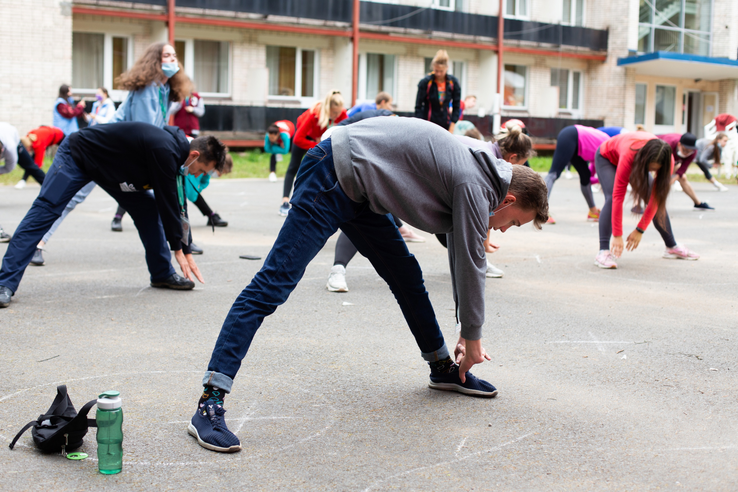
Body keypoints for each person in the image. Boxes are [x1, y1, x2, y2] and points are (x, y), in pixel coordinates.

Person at [187, 117, 548, 453]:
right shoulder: (477, 183)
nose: (502, 229)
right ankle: (210, 401)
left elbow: (460, 249)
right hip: (330, 176)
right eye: (513, 223)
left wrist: (467, 332)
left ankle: (441, 369)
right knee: (272, 285)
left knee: (407, 276)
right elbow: (472, 263)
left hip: (363, 191)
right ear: (509, 199)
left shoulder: (483, 174)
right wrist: (473, 339)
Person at [0, 122, 228, 309]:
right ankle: (5, 284)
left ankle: (161, 274)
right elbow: (167, 200)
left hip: (114, 173)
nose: (196, 174)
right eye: (200, 170)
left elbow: (179, 205)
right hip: (79, 155)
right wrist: (178, 249)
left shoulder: (179, 157)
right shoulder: (165, 149)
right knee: (45, 210)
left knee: (148, 211)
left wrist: (186, 248)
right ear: (195, 155)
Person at [323, 109, 425, 293]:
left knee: (375, 204)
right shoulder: (384, 129)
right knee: (358, 210)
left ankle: (402, 232)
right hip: (336, 149)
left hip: (351, 151)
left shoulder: (395, 131)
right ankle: (337, 270)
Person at [110, 41, 192, 231]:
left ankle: (179, 238)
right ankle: (39, 242)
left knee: (162, 192)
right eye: (167, 56)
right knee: (73, 196)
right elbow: (144, 133)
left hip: (129, 148)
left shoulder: (162, 89)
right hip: (109, 147)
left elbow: (157, 127)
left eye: (174, 55)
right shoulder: (148, 90)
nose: (173, 59)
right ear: (155, 61)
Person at [594, 131, 699, 270]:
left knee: (657, 201)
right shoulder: (629, 155)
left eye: (654, 170)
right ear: (645, 160)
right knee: (611, 198)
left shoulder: (668, 160)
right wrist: (617, 234)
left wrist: (640, 229)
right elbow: (618, 196)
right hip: (607, 157)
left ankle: (671, 246)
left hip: (638, 160)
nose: (651, 171)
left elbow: (656, 199)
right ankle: (603, 251)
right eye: (649, 168)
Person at [452, 125, 534, 278]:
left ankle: (473, 259)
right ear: (512, 158)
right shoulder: (491, 162)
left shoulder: (487, 148)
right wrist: (484, 245)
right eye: (520, 165)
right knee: (462, 226)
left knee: (458, 227)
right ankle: (477, 261)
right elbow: (486, 208)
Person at [279, 90, 347, 216]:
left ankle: (318, 203)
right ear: (328, 109)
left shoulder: (342, 114)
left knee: (323, 169)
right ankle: (285, 201)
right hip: (306, 138)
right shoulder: (313, 115)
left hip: (322, 140)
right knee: (294, 167)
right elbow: (298, 139)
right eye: (334, 112)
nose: (338, 115)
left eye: (339, 112)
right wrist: (316, 145)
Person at [544, 125, 610, 223]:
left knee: (585, 176)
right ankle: (541, 212)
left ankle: (593, 212)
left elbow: (592, 177)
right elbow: (609, 185)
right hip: (571, 135)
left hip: (578, 143)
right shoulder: (609, 152)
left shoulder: (606, 152)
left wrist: (600, 180)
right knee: (554, 173)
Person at [183, 154, 234, 254]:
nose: (220, 175)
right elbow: (191, 193)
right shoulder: (199, 167)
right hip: (183, 187)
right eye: (221, 172)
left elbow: (203, 183)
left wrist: (197, 188)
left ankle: (211, 216)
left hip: (190, 189)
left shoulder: (206, 173)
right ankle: (185, 240)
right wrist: (195, 189)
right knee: (181, 208)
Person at [657, 132, 714, 211]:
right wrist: (665, 183)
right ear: (679, 145)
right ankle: (643, 204)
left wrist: (669, 182)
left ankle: (698, 203)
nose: (687, 153)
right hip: (657, 153)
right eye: (685, 150)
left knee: (682, 177)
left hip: (672, 160)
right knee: (660, 179)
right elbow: (660, 167)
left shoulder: (694, 152)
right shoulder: (668, 145)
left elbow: (681, 170)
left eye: (690, 151)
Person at [415, 50, 460, 133]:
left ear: (447, 68)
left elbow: (456, 105)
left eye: (441, 71)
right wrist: (420, 125)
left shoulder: (453, 83)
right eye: (436, 70)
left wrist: (452, 125)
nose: (438, 74)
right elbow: (418, 106)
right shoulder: (425, 82)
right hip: (428, 124)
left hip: (445, 124)